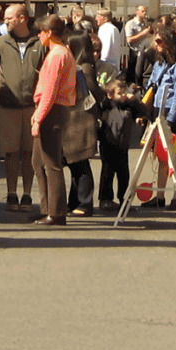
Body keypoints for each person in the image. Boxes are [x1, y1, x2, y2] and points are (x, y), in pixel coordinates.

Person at [0, 3, 45, 213]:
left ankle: (28, 194)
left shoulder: (39, 43)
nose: (6, 21)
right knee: (11, 152)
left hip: (32, 107)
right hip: (7, 106)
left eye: (10, 18)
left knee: (29, 153)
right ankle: (11, 193)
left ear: (22, 18)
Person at [31, 14, 77, 226]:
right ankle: (49, 208)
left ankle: (56, 212)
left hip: (53, 109)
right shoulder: (60, 52)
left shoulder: (57, 54)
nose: (39, 35)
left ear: (49, 33)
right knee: (39, 161)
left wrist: (39, 117)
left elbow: (50, 90)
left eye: (41, 31)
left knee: (50, 162)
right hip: (53, 108)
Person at [139, 28, 176, 210]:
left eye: (160, 42)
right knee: (161, 155)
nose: (157, 45)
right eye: (156, 41)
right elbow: (152, 86)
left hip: (170, 113)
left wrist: (171, 119)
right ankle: (159, 196)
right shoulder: (159, 64)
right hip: (158, 111)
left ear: (169, 43)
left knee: (175, 155)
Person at [64, 33, 103, 217]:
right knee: (75, 163)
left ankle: (85, 202)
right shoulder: (81, 65)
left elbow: (92, 92)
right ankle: (75, 201)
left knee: (80, 163)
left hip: (81, 119)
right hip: (77, 119)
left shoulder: (84, 67)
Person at [98, 77, 143, 212]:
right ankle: (105, 199)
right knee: (108, 172)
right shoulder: (108, 105)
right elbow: (102, 100)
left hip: (123, 145)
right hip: (108, 143)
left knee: (124, 174)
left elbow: (140, 110)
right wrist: (110, 96)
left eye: (124, 92)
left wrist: (133, 100)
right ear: (111, 95)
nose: (123, 95)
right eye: (120, 93)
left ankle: (124, 200)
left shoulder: (128, 106)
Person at [125, 5, 152, 85]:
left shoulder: (145, 23)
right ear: (137, 12)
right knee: (134, 75)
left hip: (144, 53)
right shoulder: (130, 24)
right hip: (135, 53)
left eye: (145, 11)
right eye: (142, 11)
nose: (144, 13)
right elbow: (129, 40)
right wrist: (142, 34)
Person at [95, 10, 124, 81]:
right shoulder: (114, 28)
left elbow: (105, 49)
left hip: (106, 68)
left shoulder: (104, 29)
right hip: (114, 67)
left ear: (105, 18)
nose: (96, 19)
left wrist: (100, 64)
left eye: (98, 16)